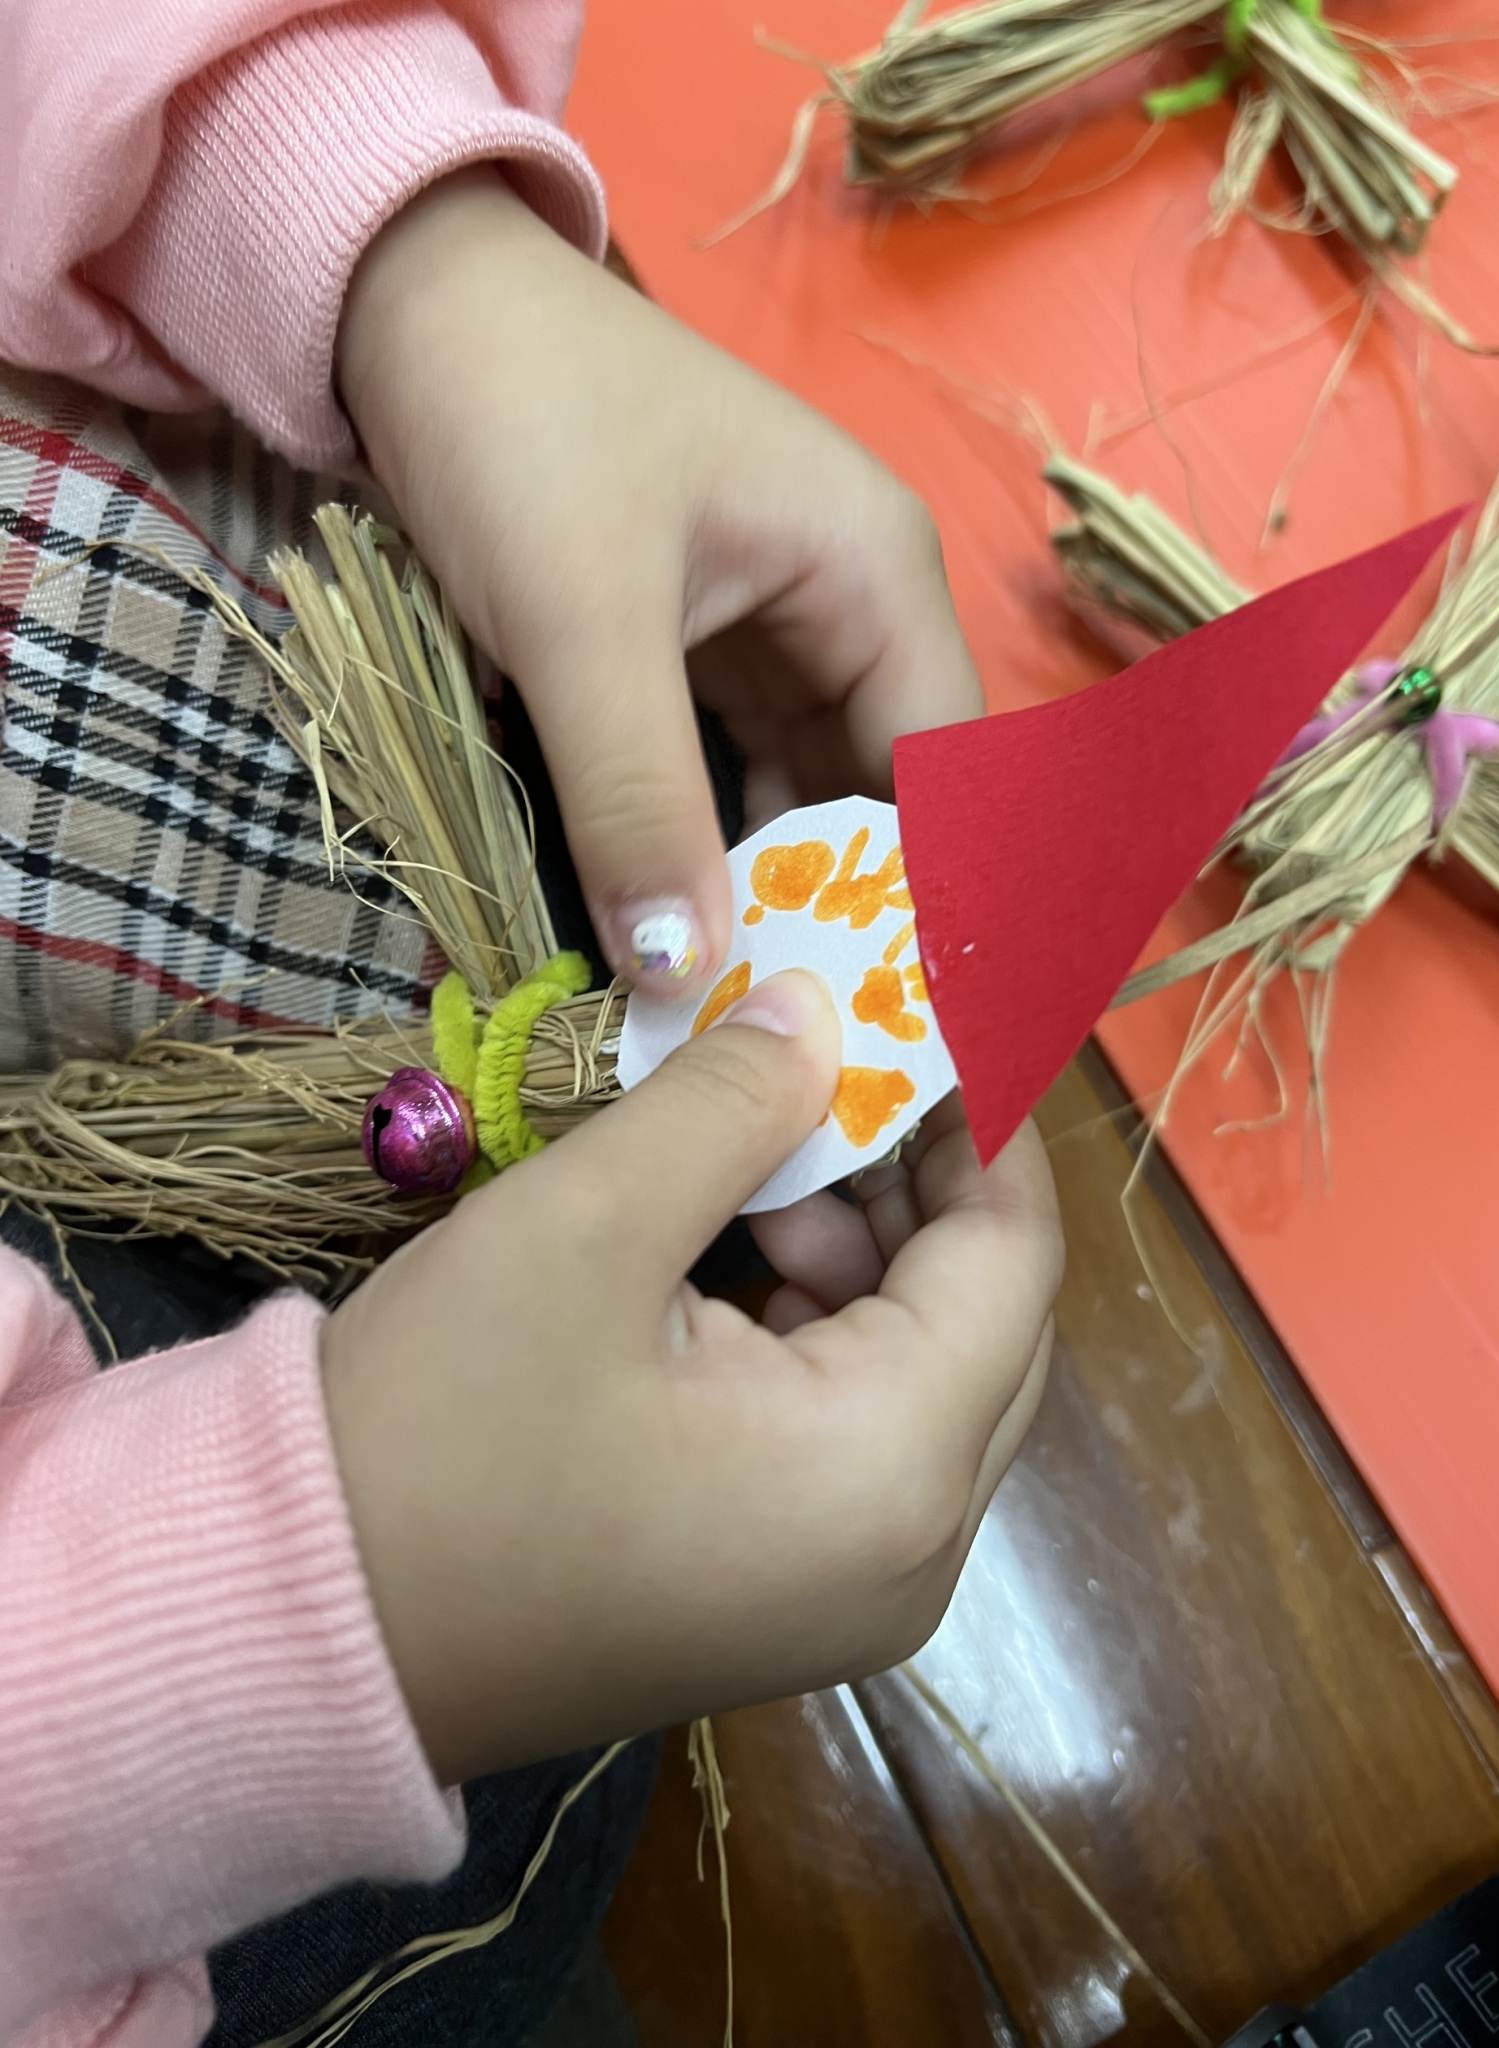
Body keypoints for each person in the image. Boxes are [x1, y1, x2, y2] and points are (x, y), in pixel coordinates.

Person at [0, 6, 1065, 2044]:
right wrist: (316, 1614)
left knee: (657, 750)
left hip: (252, 487)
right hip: (120, 1744)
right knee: (510, 1843)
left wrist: (377, 219)